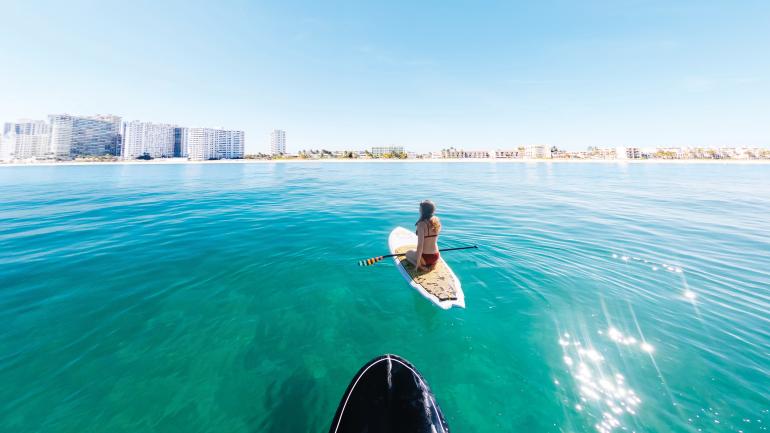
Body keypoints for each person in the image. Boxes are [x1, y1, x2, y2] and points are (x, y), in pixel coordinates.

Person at [406, 200, 441, 271]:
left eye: (420, 208)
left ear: (423, 211)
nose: (419, 210)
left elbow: (420, 246)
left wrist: (417, 264)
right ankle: (433, 265)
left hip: (425, 258)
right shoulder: (437, 221)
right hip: (436, 256)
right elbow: (435, 241)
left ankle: (421, 267)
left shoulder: (421, 224)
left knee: (408, 254)